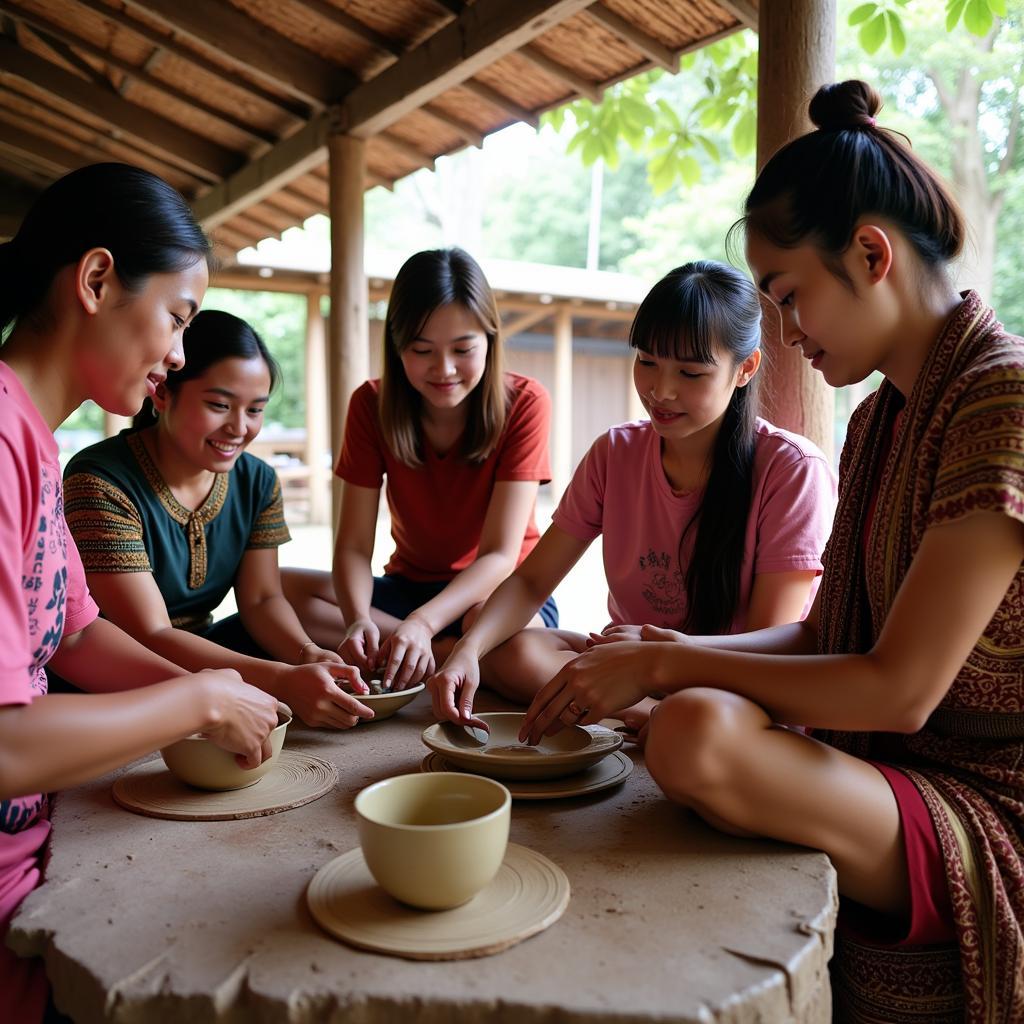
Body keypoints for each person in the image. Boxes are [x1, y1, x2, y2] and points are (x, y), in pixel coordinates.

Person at [519, 81, 1024, 1022]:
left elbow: (897, 689)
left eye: (791, 297)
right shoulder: (881, 420)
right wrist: (653, 661)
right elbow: (825, 639)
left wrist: (668, 663)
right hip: (890, 768)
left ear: (870, 254)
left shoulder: (1001, 398)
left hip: (987, 800)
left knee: (695, 729)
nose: (787, 331)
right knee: (688, 714)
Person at [0, 163, 279, 1024]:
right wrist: (195, 702)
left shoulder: (37, 439)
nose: (179, 354)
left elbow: (78, 633)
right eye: (177, 317)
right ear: (95, 280)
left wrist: (237, 688)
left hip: (41, 833)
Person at [428, 260, 835, 729]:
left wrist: (652, 655)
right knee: (512, 648)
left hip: (731, 684)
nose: (661, 390)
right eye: (647, 362)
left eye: (690, 373)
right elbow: (530, 582)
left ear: (744, 369)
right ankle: (644, 715)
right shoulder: (615, 453)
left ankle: (650, 715)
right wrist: (466, 652)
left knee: (707, 721)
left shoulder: (792, 470)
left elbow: (771, 641)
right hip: (629, 671)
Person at [62, 310, 372, 729]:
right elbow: (149, 633)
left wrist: (305, 653)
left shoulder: (257, 480)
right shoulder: (99, 481)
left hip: (202, 651)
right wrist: (282, 679)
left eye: (256, 410)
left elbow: (262, 599)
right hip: (116, 673)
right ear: (163, 394)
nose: (239, 428)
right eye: (219, 405)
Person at [281, 247, 557, 692]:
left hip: (494, 591)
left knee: (482, 619)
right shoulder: (370, 404)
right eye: (422, 349)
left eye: (463, 349)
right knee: (284, 588)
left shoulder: (525, 402)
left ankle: (422, 650)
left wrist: (423, 623)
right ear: (397, 346)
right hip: (406, 588)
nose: (443, 369)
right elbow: (352, 546)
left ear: (489, 338)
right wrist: (355, 620)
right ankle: (442, 655)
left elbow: (500, 556)